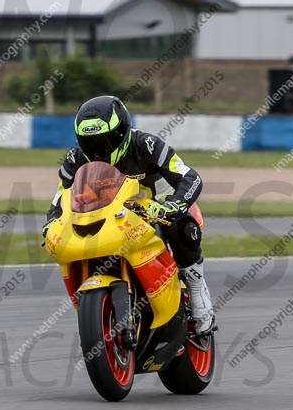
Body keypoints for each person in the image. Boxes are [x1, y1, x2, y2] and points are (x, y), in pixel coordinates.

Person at [42, 94, 214, 335]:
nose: (97, 150)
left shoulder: (147, 145)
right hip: (113, 214)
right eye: (89, 143)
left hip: (157, 206)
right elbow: (61, 197)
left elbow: (190, 177)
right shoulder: (75, 159)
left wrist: (173, 204)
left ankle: (196, 288)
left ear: (122, 132)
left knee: (183, 226)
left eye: (104, 142)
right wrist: (51, 222)